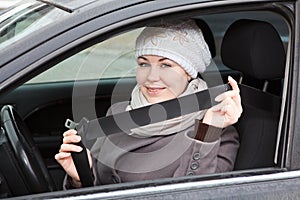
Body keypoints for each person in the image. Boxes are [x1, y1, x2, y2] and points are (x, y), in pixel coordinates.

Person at [55, 19, 242, 188]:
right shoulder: (118, 114)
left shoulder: (217, 130)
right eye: (144, 64)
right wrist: (81, 176)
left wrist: (208, 131)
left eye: (166, 65)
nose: (151, 77)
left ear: (189, 72)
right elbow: (99, 186)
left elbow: (195, 193)